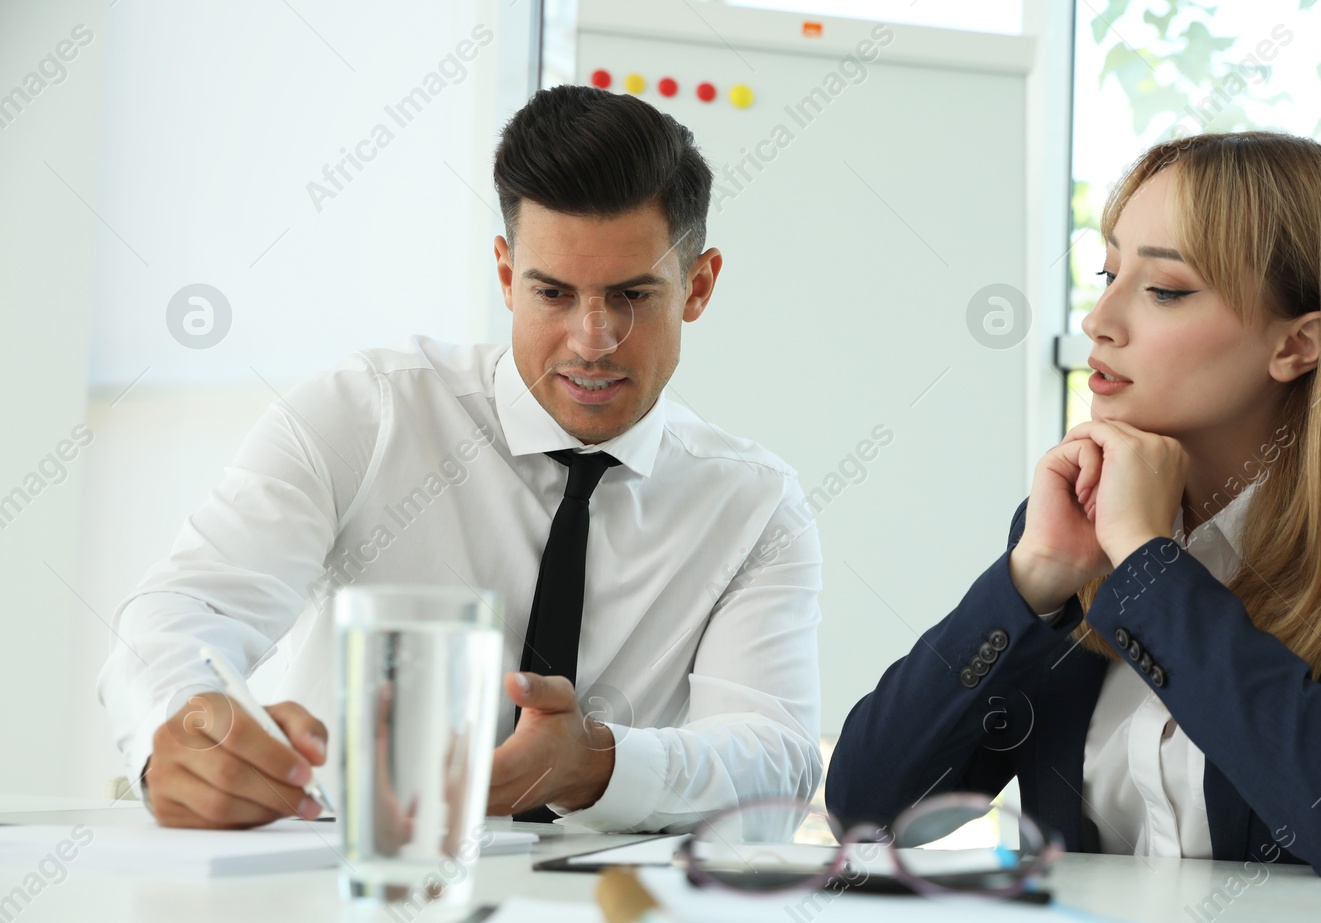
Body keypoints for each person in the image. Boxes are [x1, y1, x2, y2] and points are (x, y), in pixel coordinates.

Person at [99, 85, 822, 831]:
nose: (592, 338)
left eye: (632, 294)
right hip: (340, 886)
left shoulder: (753, 507)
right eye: (553, 293)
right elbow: (182, 609)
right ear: (508, 276)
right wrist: (182, 730)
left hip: (595, 917)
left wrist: (599, 765)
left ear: (697, 286)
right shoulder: (367, 413)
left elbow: (776, 760)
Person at [825, 131, 1321, 880]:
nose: (1100, 318)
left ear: (1300, 343)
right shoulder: (1071, 530)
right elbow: (869, 811)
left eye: (1165, 289)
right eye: (1107, 272)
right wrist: (1032, 577)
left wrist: (1147, 566)